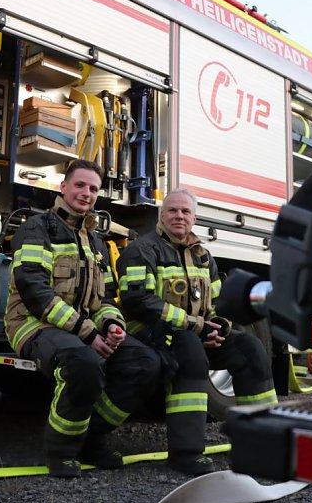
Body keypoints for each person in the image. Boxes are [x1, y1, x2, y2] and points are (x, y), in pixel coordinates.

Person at [4, 160, 161, 478]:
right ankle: (61, 450)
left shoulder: (96, 241)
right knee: (84, 361)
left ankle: (91, 437)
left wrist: (111, 325)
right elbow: (36, 293)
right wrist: (89, 333)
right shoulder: (36, 229)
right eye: (79, 185)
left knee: (145, 362)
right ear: (63, 187)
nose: (86, 193)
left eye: (93, 189)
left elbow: (105, 298)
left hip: (81, 328)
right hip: (33, 323)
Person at [117, 188, 278, 476]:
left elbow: (216, 303)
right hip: (150, 335)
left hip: (195, 332)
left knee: (251, 349)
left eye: (186, 211)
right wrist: (198, 327)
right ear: (162, 215)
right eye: (173, 210)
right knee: (190, 351)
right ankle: (186, 453)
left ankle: (263, 442)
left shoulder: (203, 256)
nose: (179, 216)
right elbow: (139, 302)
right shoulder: (141, 250)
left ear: (194, 218)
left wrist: (220, 327)